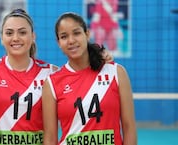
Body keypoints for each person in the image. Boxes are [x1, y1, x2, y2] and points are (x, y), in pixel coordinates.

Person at [0, 8, 114, 145]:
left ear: (33, 37)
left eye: (22, 32)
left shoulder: (51, 73)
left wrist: (99, 57)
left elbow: (81, 74)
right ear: (2, 38)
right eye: (9, 33)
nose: (16, 38)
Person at [42, 12, 137, 145]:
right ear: (59, 43)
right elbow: (50, 138)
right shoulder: (52, 83)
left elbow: (129, 127)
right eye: (64, 36)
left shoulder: (116, 72)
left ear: (87, 34)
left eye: (76, 33)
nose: (71, 40)